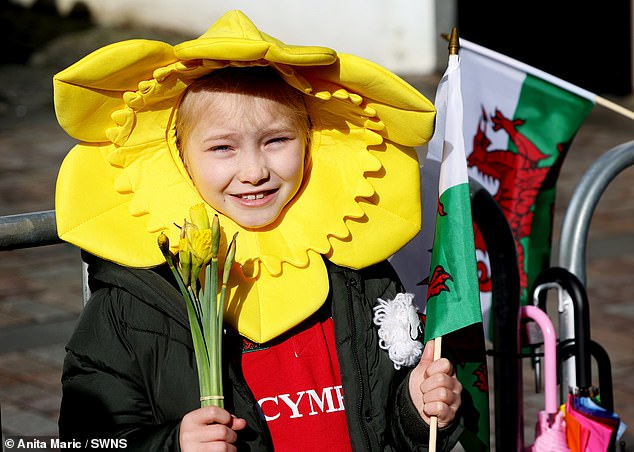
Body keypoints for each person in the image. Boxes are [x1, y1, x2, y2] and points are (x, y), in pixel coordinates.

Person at [54, 10, 464, 451]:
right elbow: (87, 436)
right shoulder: (135, 297)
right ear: (179, 156)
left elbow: (386, 420)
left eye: (276, 141)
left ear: (309, 139)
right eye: (222, 147)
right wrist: (174, 444)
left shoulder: (357, 270)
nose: (254, 171)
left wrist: (418, 408)